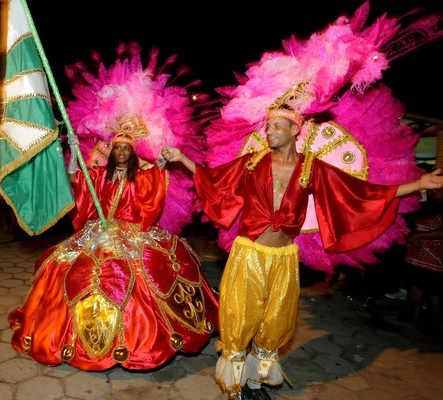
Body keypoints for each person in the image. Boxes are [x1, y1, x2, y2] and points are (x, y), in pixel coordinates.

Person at [161, 106, 443, 399]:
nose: (269, 132)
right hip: (249, 254)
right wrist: (182, 159)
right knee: (241, 318)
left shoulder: (312, 168)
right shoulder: (252, 162)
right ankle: (235, 387)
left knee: (275, 321)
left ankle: (256, 384)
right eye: (267, 126)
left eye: (277, 126)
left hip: (284, 258)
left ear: (295, 130)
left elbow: (360, 193)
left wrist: (418, 184)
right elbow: (215, 179)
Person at [8, 131, 219, 371]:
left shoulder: (139, 176)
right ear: (111, 152)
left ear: (132, 153)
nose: (121, 152)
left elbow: (154, 183)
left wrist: (160, 162)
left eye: (126, 148)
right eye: (117, 148)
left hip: (133, 231)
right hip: (98, 230)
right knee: (65, 265)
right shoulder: (99, 175)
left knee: (143, 270)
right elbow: (76, 179)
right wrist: (75, 154)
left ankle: (142, 336)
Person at [403, 168, 443, 336]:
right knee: (415, 284)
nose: (434, 192)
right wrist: (412, 236)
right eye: (433, 189)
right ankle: (416, 315)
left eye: (438, 189)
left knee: (434, 289)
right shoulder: (426, 204)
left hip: (436, 256)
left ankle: (434, 322)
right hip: (416, 252)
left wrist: (419, 235)